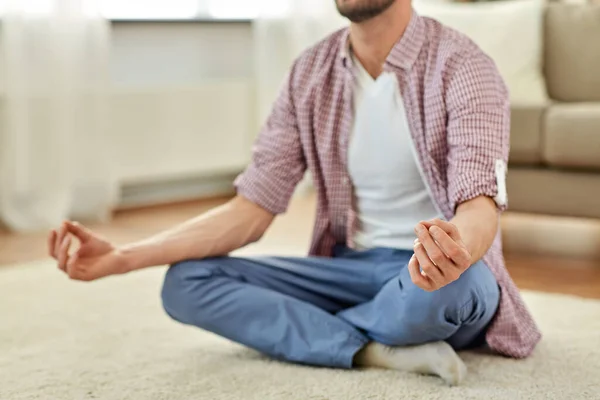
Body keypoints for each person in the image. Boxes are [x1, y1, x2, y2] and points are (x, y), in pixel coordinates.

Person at [48, 0, 541, 386]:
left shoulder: (463, 65)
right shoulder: (311, 72)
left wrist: (452, 253)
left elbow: (479, 207)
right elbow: (251, 210)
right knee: (186, 283)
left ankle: (314, 332)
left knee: (446, 292)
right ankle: (370, 348)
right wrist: (123, 256)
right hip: (347, 267)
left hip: (437, 276)